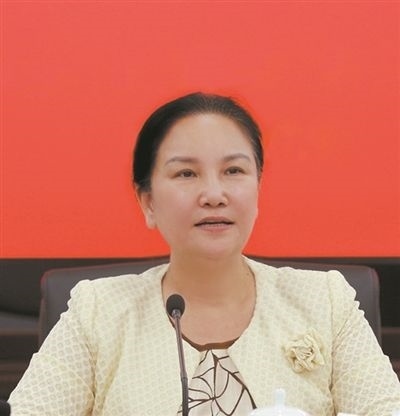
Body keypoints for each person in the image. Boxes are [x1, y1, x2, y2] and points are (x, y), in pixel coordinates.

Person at [8, 92, 400, 415]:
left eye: (234, 171)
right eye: (186, 173)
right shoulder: (98, 312)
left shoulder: (325, 302)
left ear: (258, 189)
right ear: (148, 202)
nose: (214, 195)